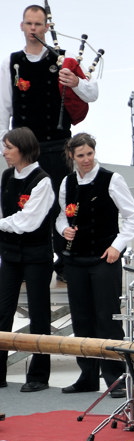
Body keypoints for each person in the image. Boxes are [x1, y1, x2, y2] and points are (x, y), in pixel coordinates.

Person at [1, 4, 99, 275]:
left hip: (58, 145)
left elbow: (92, 93)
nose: (33, 29)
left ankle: (65, 259)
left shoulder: (62, 62)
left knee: (62, 202)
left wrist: (76, 83)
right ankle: (25, 259)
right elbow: (4, 109)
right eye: (29, 24)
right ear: (22, 26)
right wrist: (4, 146)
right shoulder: (11, 63)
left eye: (38, 24)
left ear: (47, 27)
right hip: (25, 150)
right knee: (23, 204)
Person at [56, 133, 134, 397]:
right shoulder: (67, 182)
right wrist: (64, 231)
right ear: (72, 156)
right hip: (76, 260)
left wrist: (117, 246)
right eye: (80, 156)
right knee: (82, 319)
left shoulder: (111, 179)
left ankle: (114, 376)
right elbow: (61, 216)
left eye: (89, 154)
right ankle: (88, 376)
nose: (86, 160)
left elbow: (132, 216)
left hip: (104, 258)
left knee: (107, 319)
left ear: (94, 152)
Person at [0, 127, 54, 392]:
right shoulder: (7, 176)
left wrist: (1, 224)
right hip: (10, 254)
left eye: (9, 147)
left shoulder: (42, 181)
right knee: (2, 312)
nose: (4, 152)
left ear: (23, 149)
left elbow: (29, 222)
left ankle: (39, 375)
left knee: (39, 313)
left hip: (36, 255)